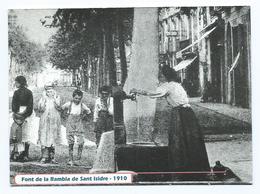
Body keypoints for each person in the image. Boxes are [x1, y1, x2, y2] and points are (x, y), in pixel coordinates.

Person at [131, 65, 210, 180]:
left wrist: (137, 91)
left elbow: (153, 93)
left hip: (179, 113)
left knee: (177, 139)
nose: (159, 78)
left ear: (164, 76)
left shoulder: (168, 86)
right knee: (191, 139)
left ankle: (180, 167)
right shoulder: (177, 85)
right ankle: (194, 167)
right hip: (189, 113)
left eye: (160, 76)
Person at [61, 89, 91, 166]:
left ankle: (78, 159)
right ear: (73, 97)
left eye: (79, 98)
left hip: (78, 123)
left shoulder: (82, 105)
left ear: (81, 98)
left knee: (81, 141)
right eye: (76, 98)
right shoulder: (69, 104)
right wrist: (65, 116)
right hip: (70, 122)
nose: (77, 100)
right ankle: (70, 159)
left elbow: (88, 111)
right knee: (70, 141)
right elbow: (62, 108)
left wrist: (83, 116)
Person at [10, 76, 33, 162]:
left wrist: (18, 114)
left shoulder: (19, 92)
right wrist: (22, 114)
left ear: (20, 83)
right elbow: (30, 106)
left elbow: (14, 106)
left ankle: (21, 154)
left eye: (16, 82)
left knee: (20, 133)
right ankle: (22, 154)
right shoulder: (27, 92)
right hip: (23, 115)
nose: (15, 84)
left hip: (22, 115)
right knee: (23, 134)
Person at [37, 84, 61, 164]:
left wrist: (54, 98)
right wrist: (44, 99)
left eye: (51, 91)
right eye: (48, 91)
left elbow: (58, 106)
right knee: (44, 136)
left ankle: (52, 156)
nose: (49, 93)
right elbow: (40, 109)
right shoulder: (43, 99)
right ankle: (44, 156)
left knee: (52, 136)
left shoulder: (56, 98)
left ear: (54, 91)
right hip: (45, 120)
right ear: (45, 92)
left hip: (54, 120)